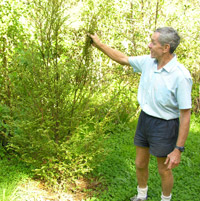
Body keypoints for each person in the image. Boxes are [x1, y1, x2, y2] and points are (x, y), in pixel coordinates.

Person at [88, 27, 192, 201]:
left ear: (165, 48)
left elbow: (185, 114)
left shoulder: (180, 76)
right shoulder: (148, 62)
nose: (149, 45)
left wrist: (178, 149)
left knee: (163, 169)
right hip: (145, 120)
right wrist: (99, 44)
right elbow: (121, 58)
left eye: (153, 42)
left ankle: (165, 199)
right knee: (140, 163)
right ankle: (141, 195)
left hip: (165, 125)